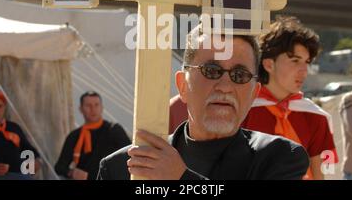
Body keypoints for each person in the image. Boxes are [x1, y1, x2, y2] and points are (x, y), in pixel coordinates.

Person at [98, 23, 309, 180]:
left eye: (240, 74)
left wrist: (181, 180)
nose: (225, 86)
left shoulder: (280, 157)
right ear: (182, 85)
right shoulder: (123, 167)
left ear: (254, 92)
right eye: (211, 71)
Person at [242, 16, 337, 180]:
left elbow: (323, 173)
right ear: (269, 64)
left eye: (307, 62)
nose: (304, 71)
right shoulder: (242, 110)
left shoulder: (315, 116)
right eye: (295, 61)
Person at [55, 91, 131, 180]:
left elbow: (129, 154)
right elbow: (60, 167)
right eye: (88, 105)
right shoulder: (75, 136)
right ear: (81, 109)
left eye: (96, 105)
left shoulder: (113, 130)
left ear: (102, 108)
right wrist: (71, 172)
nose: (93, 109)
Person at [0, 89, 42, 180]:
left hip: (17, 173)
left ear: (4, 108)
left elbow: (28, 149)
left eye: (0, 106)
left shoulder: (14, 127)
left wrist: (35, 161)